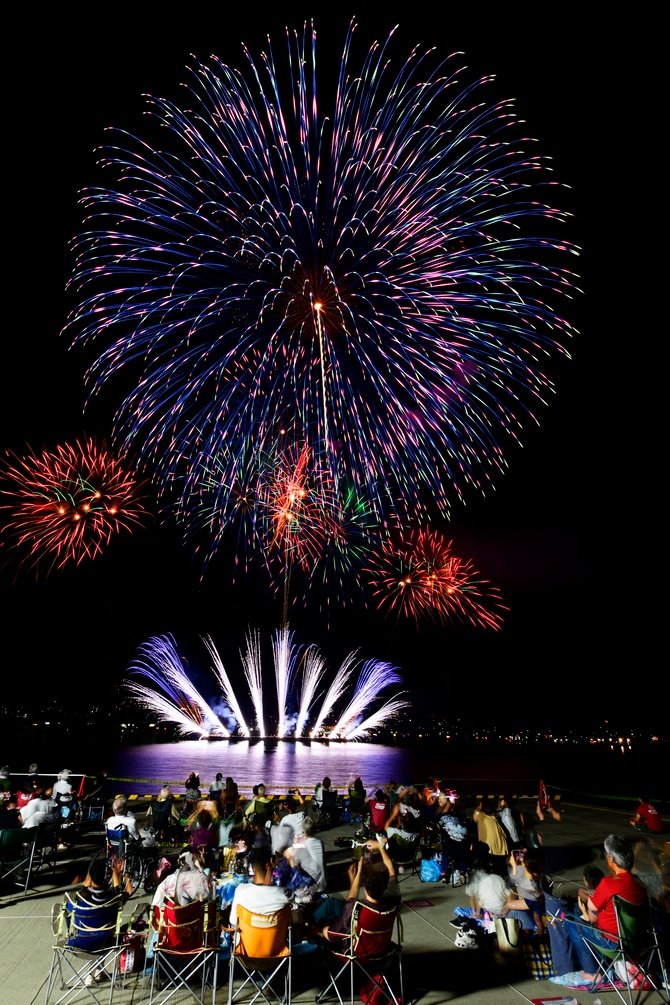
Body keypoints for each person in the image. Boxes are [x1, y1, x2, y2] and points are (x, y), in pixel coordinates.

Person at [557, 833, 647, 987]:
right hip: (639, 943)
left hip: (612, 944)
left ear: (611, 860)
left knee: (571, 920)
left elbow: (591, 919)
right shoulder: (639, 886)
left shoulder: (607, 883)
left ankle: (592, 972)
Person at [319, 837, 399, 941]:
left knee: (325, 919)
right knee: (335, 904)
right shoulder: (393, 901)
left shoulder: (356, 908)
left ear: (365, 886)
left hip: (356, 951)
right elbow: (391, 871)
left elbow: (332, 936)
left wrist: (323, 929)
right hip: (381, 947)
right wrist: (380, 846)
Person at [228, 846, 289, 930]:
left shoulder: (241, 891)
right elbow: (292, 920)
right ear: (268, 865)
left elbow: (233, 921)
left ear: (253, 869)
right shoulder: (284, 894)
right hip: (274, 942)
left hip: (247, 942)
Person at [283, 816, 327, 893]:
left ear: (303, 832)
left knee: (293, 861)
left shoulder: (302, 846)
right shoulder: (320, 842)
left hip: (313, 888)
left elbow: (288, 853)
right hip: (323, 885)